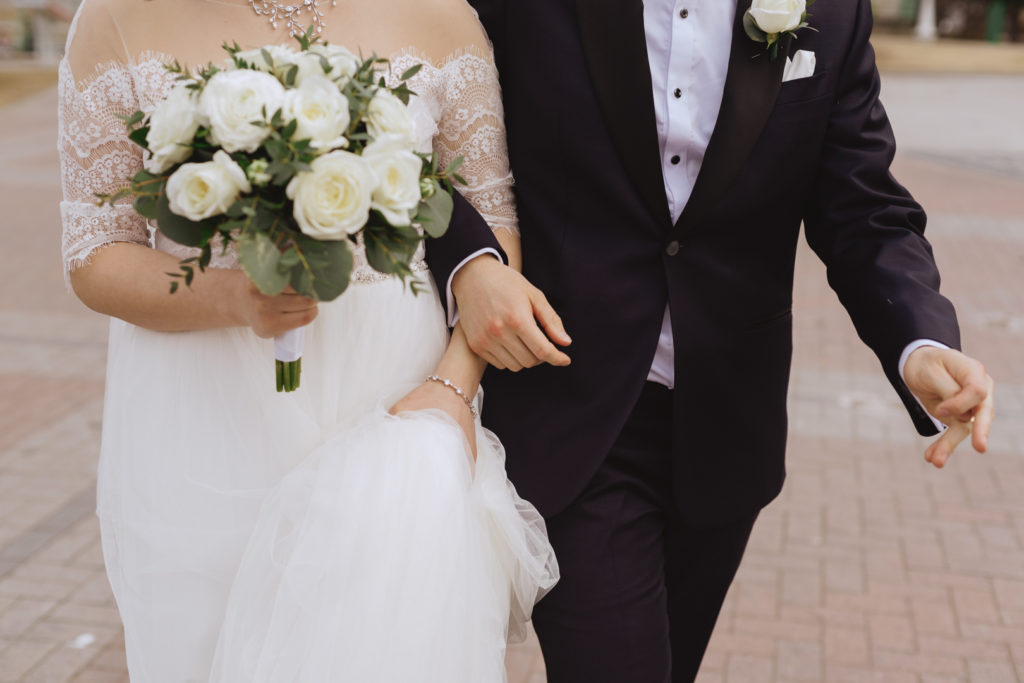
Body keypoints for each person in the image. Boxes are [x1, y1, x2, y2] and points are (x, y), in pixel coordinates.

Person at [427, 0, 996, 680]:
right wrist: (471, 264)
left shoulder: (833, 13)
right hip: (574, 406)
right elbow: (426, 116)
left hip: (726, 429)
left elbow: (865, 209)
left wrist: (921, 342)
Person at [57, 0, 556, 680]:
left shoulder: (442, 14)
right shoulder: (119, 16)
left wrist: (451, 389)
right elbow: (95, 254)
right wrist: (236, 294)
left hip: (393, 402)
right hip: (206, 417)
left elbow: (493, 232)